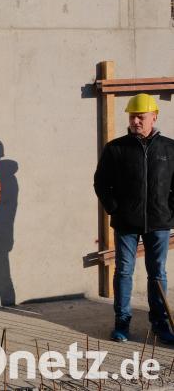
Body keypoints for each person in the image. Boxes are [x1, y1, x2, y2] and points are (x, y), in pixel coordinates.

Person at [94, 93, 174, 344]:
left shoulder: (170, 148)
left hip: (159, 224)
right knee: (124, 271)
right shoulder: (116, 148)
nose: (136, 121)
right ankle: (122, 322)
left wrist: (171, 211)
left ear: (154, 117)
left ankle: (160, 324)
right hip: (126, 223)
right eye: (132, 116)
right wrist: (115, 209)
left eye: (141, 116)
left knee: (157, 273)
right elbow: (101, 183)